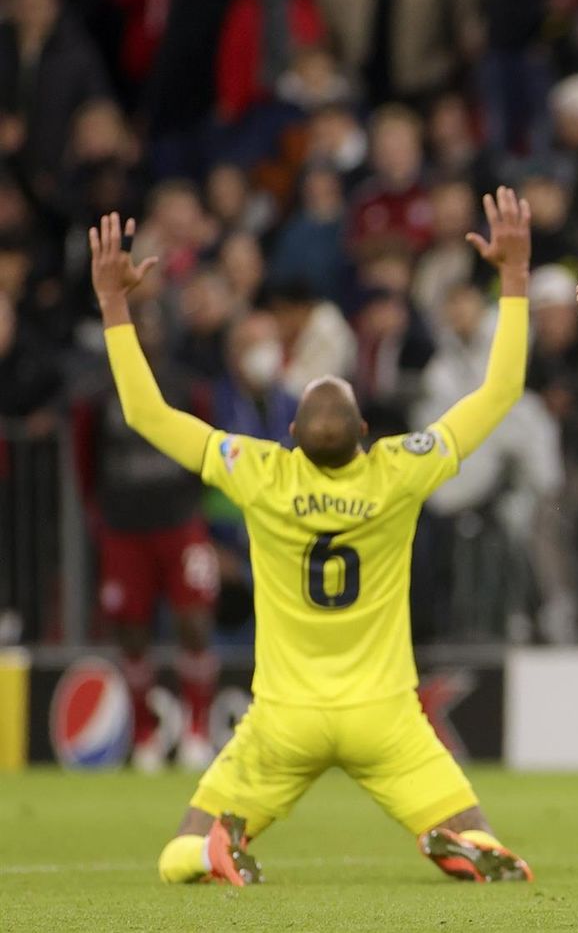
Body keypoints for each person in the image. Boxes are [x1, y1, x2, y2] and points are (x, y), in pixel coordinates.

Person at [89, 190, 535, 888]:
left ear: (291, 434)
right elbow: (501, 389)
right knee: (473, 826)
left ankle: (211, 851)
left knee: (180, 851)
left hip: (285, 718)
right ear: (366, 433)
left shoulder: (259, 470)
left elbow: (146, 413)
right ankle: (463, 842)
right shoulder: (399, 469)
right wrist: (513, 277)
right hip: (384, 715)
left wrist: (115, 305)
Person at [73, 302, 220, 772]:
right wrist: (99, 515)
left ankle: (197, 731)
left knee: (194, 622)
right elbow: (85, 462)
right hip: (124, 529)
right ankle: (145, 736)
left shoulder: (188, 388)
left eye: (156, 323)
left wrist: (195, 510)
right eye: (140, 324)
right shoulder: (98, 396)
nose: (149, 332)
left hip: (180, 523)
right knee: (132, 632)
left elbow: (206, 451)